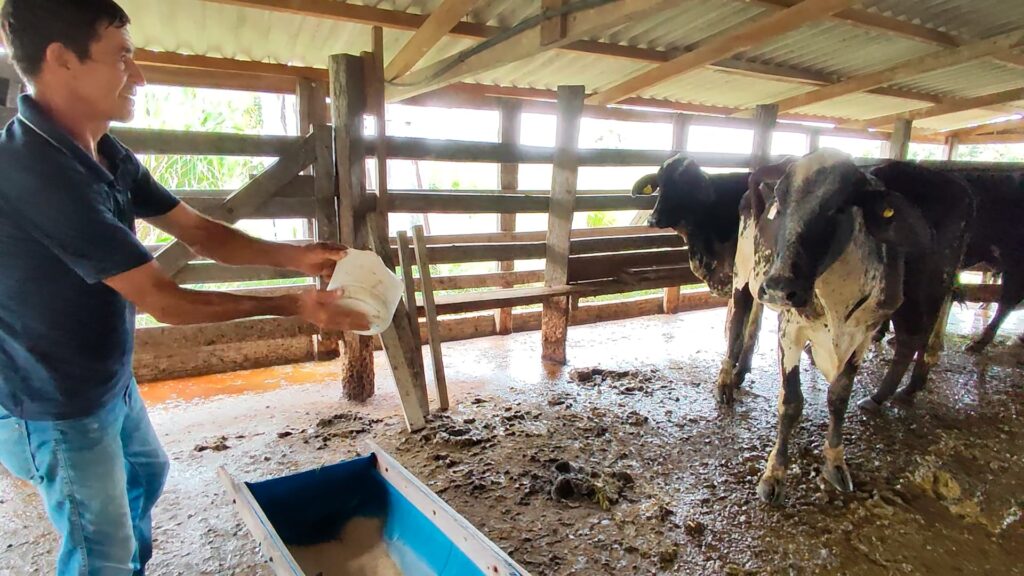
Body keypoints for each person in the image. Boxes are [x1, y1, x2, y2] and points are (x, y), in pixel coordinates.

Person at [0, 1, 369, 574]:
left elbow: (198, 232)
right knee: (101, 549)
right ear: (61, 60)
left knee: (146, 474)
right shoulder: (38, 173)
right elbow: (165, 302)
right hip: (53, 398)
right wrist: (293, 304)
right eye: (123, 58)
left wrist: (299, 255)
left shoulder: (102, 151)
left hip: (104, 375)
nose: (139, 75)